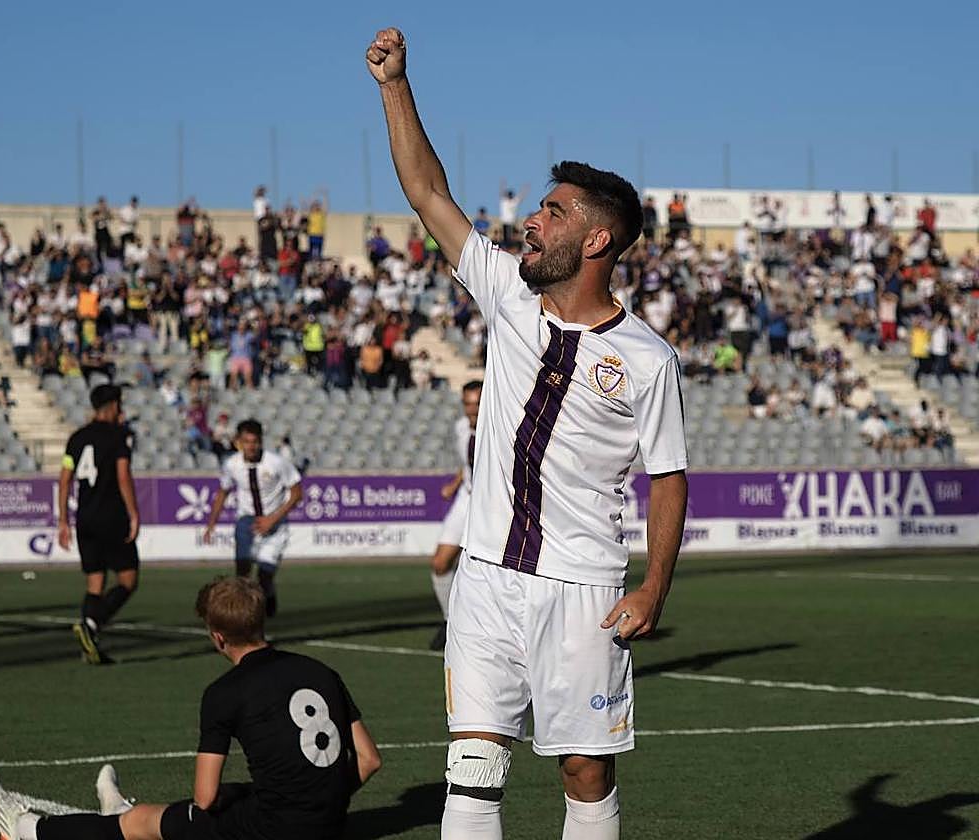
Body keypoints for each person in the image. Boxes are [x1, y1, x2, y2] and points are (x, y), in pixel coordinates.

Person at [369, 27, 689, 840]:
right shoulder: (507, 292)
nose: (531, 222)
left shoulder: (648, 360)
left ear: (596, 240)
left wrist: (652, 587)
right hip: (485, 582)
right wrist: (395, 86)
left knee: (584, 771)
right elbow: (427, 191)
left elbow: (669, 477)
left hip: (581, 590)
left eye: (553, 211)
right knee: (473, 771)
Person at [0, 576, 382, 840]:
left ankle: (24, 827)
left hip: (267, 831)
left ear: (218, 637)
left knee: (142, 823)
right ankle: (113, 810)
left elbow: (204, 799)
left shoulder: (224, 692)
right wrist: (316, 802)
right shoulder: (323, 671)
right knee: (236, 794)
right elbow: (368, 761)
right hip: (330, 826)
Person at [58, 384, 141, 665]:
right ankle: (91, 625)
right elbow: (122, 476)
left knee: (95, 583)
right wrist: (133, 513)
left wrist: (62, 520)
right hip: (111, 516)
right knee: (128, 579)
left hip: (85, 518)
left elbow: (65, 478)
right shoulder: (119, 436)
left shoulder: (76, 438)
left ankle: (89, 647)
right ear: (114, 405)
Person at [201, 420, 303, 618]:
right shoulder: (231, 464)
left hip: (274, 524)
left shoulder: (276, 462)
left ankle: (269, 598)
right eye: (246, 442)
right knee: (242, 573)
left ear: (261, 442)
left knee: (264, 576)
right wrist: (211, 524)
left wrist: (272, 519)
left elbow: (297, 493)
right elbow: (223, 492)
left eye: (255, 442)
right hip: (246, 521)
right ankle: (243, 616)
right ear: (239, 442)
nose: (251, 446)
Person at [428, 380, 482, 650]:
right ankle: (451, 621)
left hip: (490, 503)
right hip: (466, 497)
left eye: (476, 403)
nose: (471, 409)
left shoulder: (498, 427)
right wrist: (455, 482)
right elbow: (467, 462)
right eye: (467, 403)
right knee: (440, 563)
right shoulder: (460, 428)